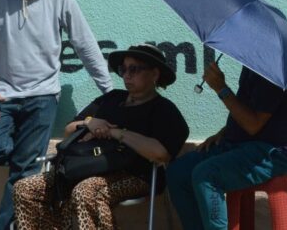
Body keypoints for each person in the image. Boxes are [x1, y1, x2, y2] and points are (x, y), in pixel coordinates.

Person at [0, 0, 113, 230]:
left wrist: (109, 91)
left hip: (43, 98)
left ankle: (8, 225)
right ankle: (25, 162)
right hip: (1, 96)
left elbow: (84, 44)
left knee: (24, 175)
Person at [13, 43, 189, 229]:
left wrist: (116, 132)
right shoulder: (111, 98)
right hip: (82, 167)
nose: (127, 75)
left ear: (155, 74)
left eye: (134, 69)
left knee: (85, 191)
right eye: (123, 69)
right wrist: (89, 123)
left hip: (134, 174)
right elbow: (68, 131)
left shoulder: (164, 110)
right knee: (24, 189)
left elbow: (161, 154)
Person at [167, 62, 287, 230]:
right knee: (178, 172)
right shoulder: (253, 65)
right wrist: (225, 131)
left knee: (206, 175)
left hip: (272, 152)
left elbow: (253, 124)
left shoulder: (274, 70)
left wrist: (221, 88)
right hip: (238, 144)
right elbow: (252, 109)